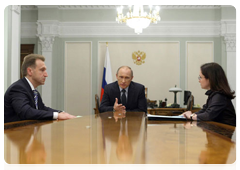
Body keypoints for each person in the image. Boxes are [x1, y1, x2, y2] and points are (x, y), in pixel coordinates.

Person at [4, 54, 76, 123]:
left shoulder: (34, 91)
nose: (46, 75)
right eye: (42, 70)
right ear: (30, 71)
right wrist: (57, 115)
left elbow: (42, 108)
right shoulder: (18, 88)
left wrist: (61, 113)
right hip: (13, 133)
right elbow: (25, 111)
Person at [183, 62, 238, 127]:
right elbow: (204, 111)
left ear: (210, 79)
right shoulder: (214, 94)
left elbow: (208, 115)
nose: (199, 80)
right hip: (219, 133)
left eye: (200, 77)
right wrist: (188, 115)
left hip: (226, 134)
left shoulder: (220, 96)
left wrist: (191, 116)